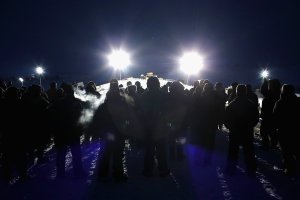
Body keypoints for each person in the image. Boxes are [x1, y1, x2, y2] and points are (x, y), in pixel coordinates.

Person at [48, 83, 85, 178]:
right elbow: (81, 117)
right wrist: (81, 129)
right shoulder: (77, 102)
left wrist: (53, 129)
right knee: (76, 153)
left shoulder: (57, 103)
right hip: (73, 131)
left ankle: (60, 174)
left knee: (61, 154)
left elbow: (51, 116)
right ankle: (78, 172)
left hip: (60, 132)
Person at [224, 84, 259, 176]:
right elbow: (256, 118)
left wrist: (230, 127)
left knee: (233, 151)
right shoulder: (251, 104)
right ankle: (251, 170)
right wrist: (250, 125)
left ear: (236, 91)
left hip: (235, 131)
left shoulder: (232, 104)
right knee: (249, 151)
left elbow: (226, 118)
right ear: (246, 92)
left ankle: (231, 169)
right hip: (247, 131)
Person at [140, 76, 170, 177]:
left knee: (149, 150)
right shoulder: (163, 95)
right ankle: (163, 170)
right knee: (161, 150)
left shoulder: (144, 95)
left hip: (148, 128)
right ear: (158, 84)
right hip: (161, 127)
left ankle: (148, 170)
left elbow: (141, 112)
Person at [273, 84, 300, 176]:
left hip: (284, 131)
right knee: (297, 149)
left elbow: (275, 117)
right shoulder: (298, 101)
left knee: (286, 151)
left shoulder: (280, 103)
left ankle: (289, 169)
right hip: (296, 130)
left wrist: (276, 127)